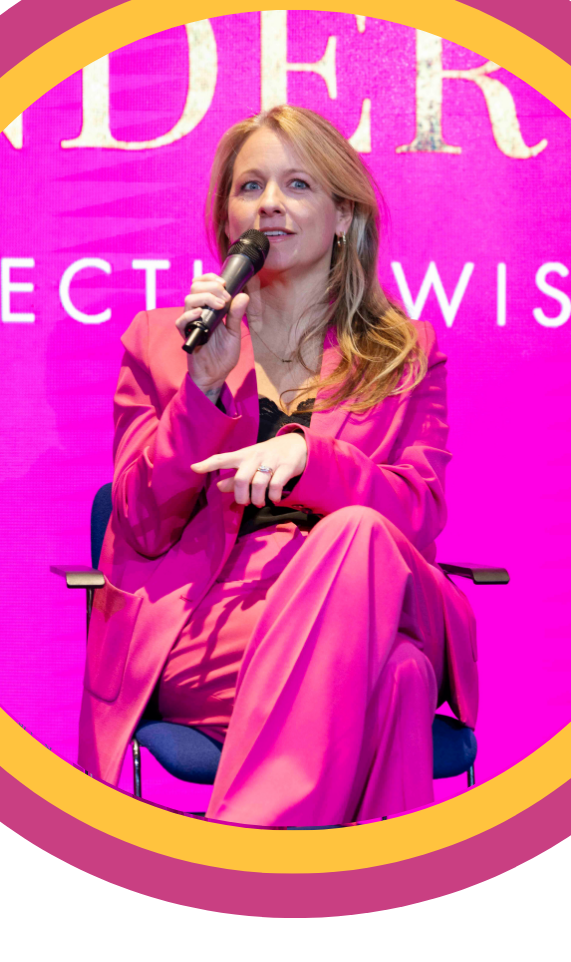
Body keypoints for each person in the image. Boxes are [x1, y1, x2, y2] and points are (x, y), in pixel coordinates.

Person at [78, 105, 478, 828]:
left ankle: (240, 857)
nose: (268, 202)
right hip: (222, 633)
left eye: (297, 185)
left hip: (376, 593)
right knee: (402, 679)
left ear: (343, 217)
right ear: (227, 218)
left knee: (356, 533)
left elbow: (418, 516)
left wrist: (308, 459)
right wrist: (201, 388)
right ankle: (375, 906)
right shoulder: (166, 342)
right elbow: (137, 522)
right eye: (249, 186)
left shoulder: (407, 352)